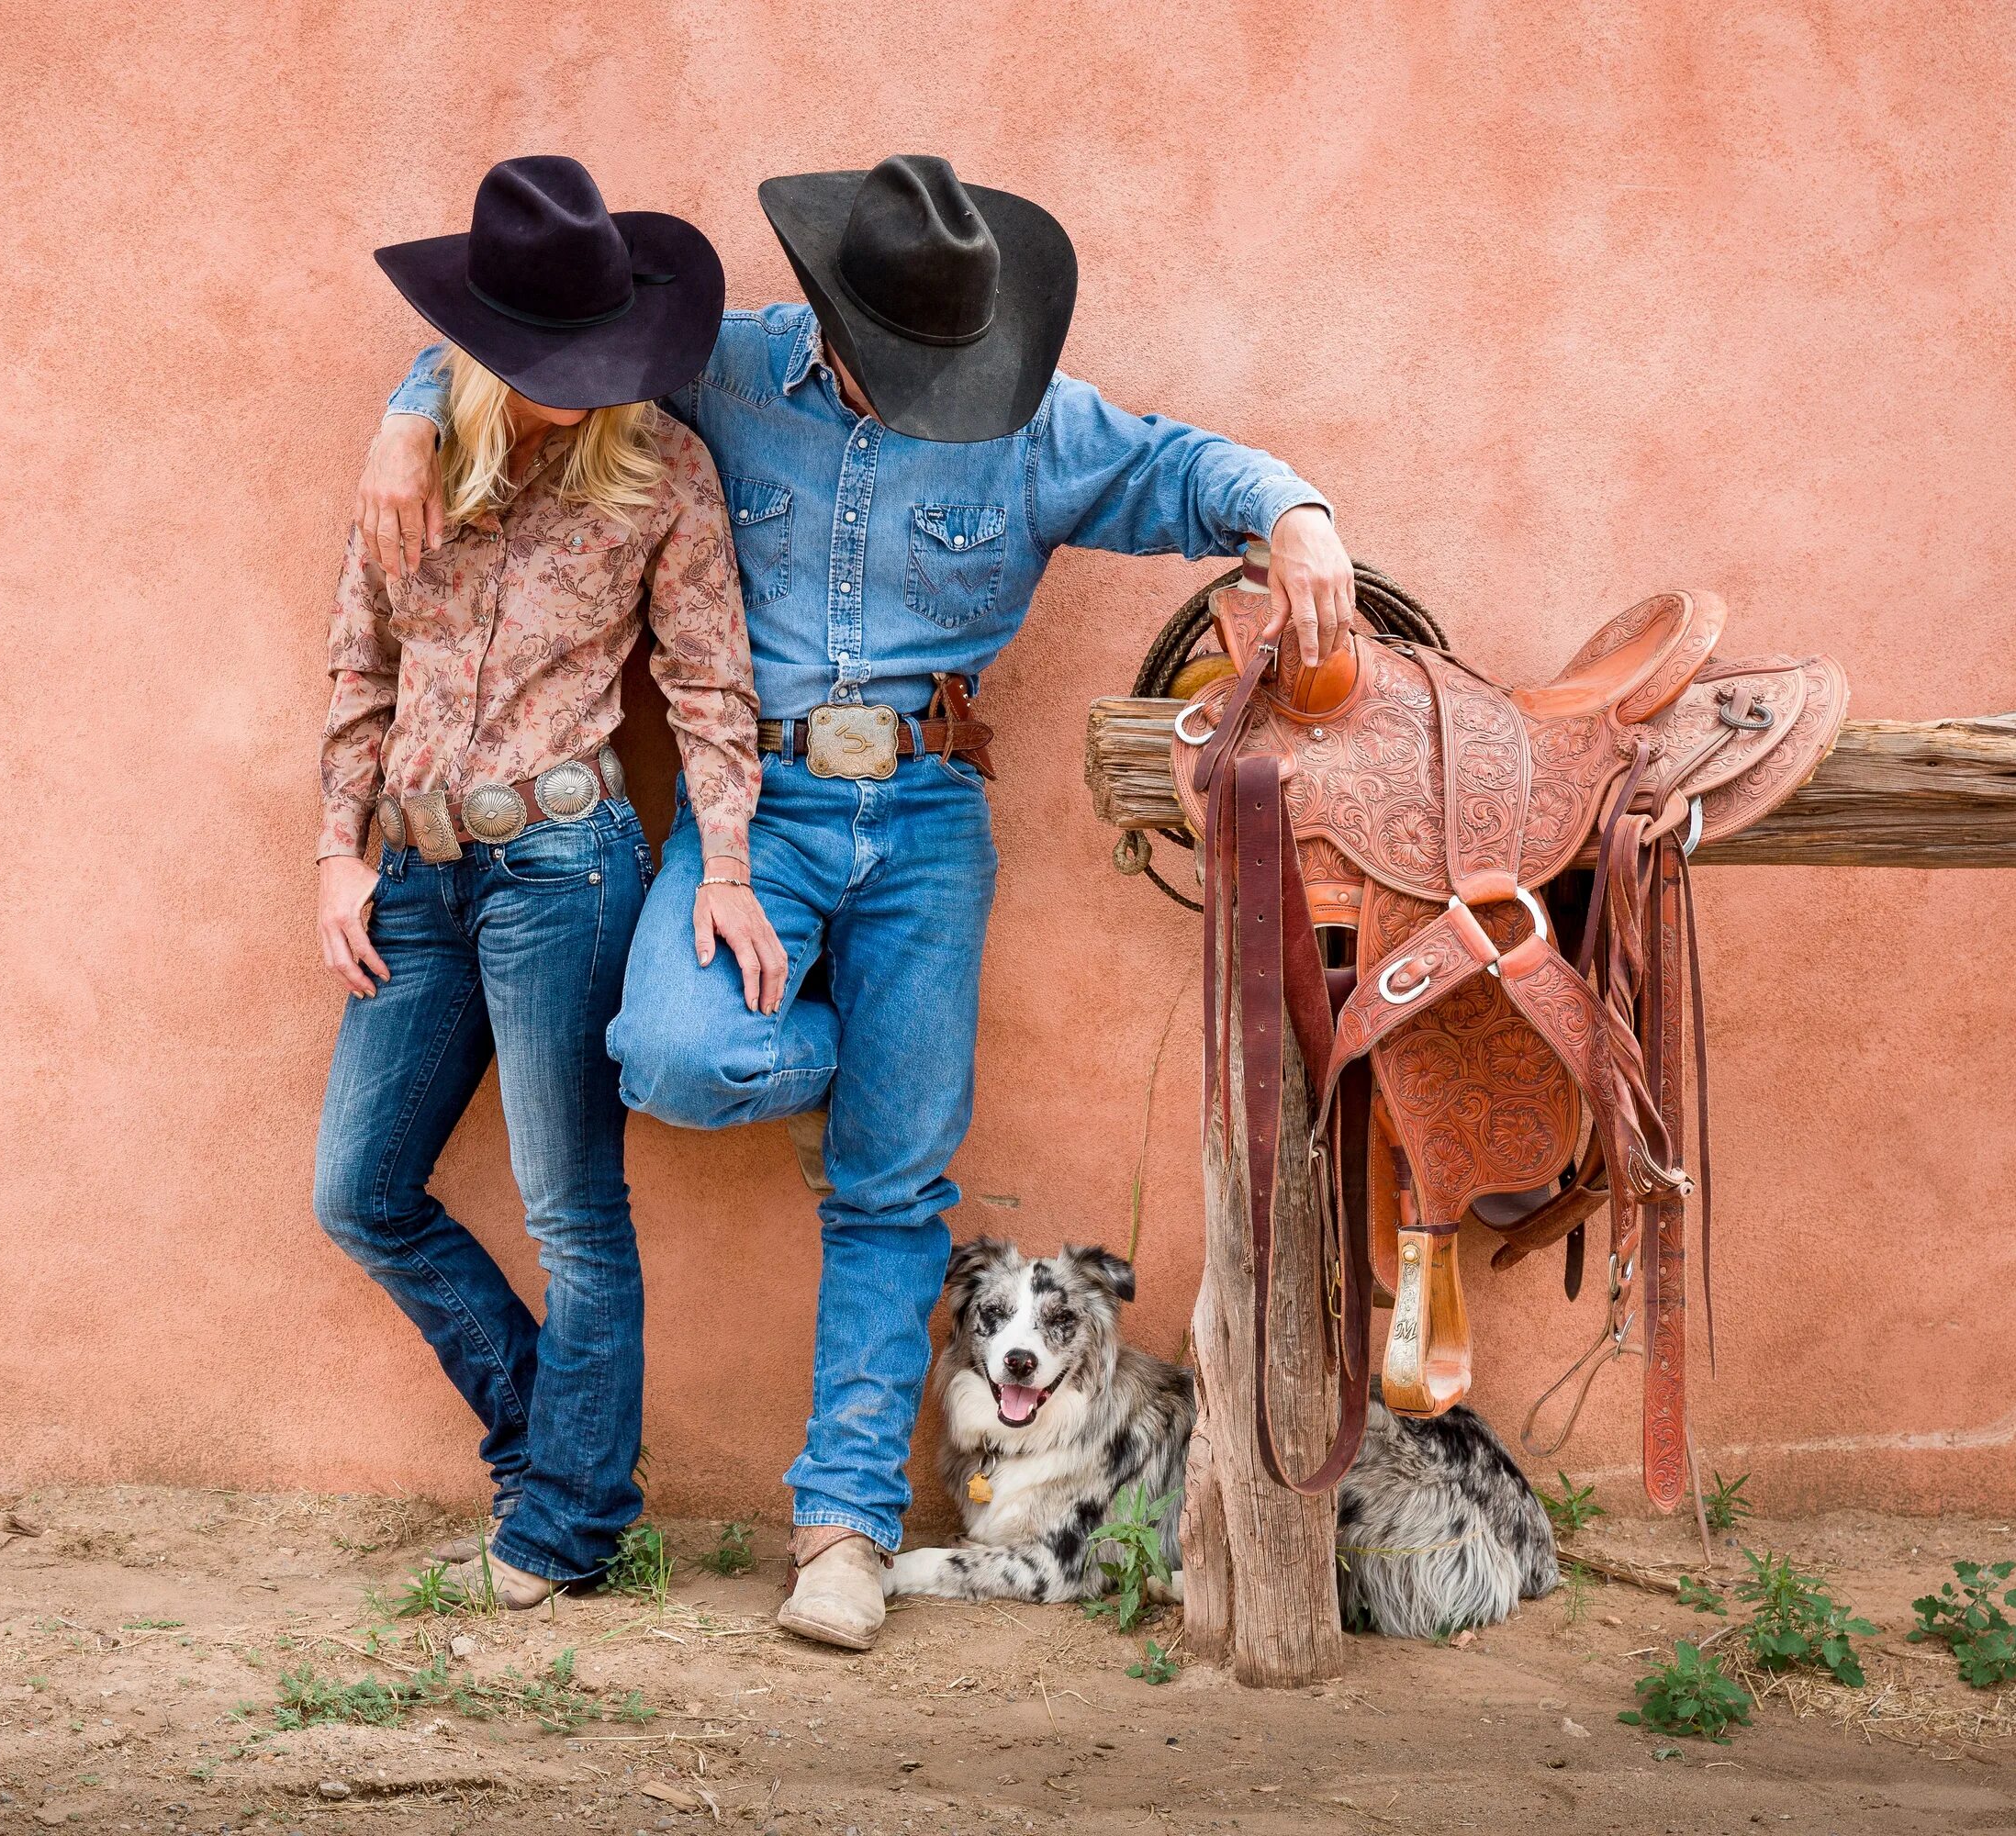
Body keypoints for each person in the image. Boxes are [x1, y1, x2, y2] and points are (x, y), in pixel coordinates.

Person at [356, 156, 1360, 1650]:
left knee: (893, 1191)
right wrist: (414, 403)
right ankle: (855, 1067)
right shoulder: (733, 365)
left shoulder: (1035, 415)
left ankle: (841, 1530)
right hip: (750, 806)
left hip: (931, 812)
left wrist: (1298, 521)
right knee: (673, 1055)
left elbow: (1186, 467)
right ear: (830, 322)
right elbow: (548, 338)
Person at [312, 157, 781, 1607]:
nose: (578, 385)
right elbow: (360, 662)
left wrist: (730, 864)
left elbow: (711, 685)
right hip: (417, 874)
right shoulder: (412, 461)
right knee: (360, 1191)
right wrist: (340, 846)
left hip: (564, 871)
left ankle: (567, 1522)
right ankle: (560, 1451)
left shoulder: (664, 469)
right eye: (544, 359)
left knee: (574, 1210)